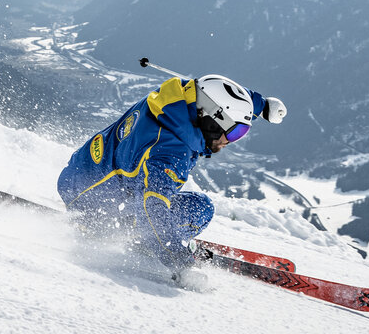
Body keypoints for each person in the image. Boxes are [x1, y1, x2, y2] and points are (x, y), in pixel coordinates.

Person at [56, 73, 285, 273]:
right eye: (235, 132)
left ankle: (136, 231)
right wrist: (180, 261)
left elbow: (215, 90)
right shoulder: (169, 153)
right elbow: (152, 210)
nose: (230, 141)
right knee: (199, 209)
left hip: (79, 175)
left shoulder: (176, 102)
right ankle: (131, 241)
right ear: (214, 121)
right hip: (92, 209)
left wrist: (262, 106)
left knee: (159, 197)